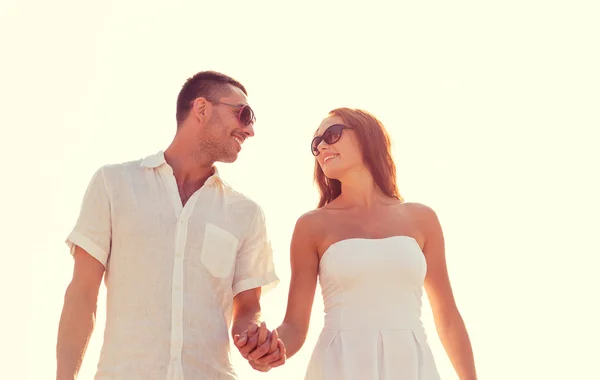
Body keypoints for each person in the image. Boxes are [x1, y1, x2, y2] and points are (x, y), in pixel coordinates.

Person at [56, 71, 285, 380]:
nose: (250, 130)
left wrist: (258, 342)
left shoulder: (246, 213)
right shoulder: (114, 184)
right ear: (202, 109)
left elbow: (247, 308)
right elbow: (82, 295)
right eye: (244, 115)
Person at [235, 108, 477, 379]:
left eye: (332, 135)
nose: (322, 146)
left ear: (366, 137)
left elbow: (447, 317)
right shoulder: (312, 225)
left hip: (411, 365)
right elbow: (295, 327)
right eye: (316, 143)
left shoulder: (422, 218)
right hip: (339, 365)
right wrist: (268, 352)